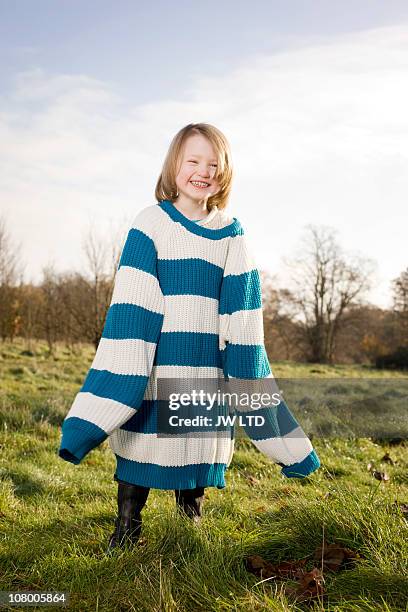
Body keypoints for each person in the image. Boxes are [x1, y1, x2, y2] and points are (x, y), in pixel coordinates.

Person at [58, 122, 320, 552]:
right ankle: (128, 525)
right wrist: (130, 370)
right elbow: (132, 303)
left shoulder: (233, 233)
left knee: (196, 443)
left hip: (205, 366)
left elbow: (243, 314)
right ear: (174, 166)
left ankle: (189, 520)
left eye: (214, 164)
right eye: (193, 161)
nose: (203, 171)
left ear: (226, 172)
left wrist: (244, 378)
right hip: (157, 361)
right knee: (141, 441)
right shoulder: (151, 224)